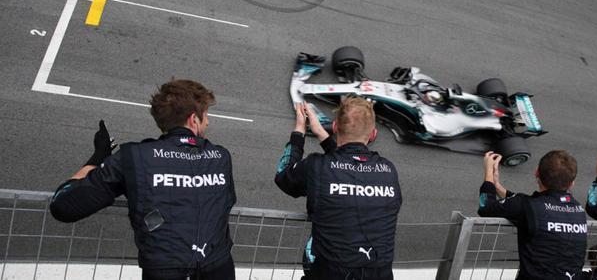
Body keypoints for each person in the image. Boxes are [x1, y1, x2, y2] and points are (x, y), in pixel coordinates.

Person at [50, 79, 236, 280]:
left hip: (164, 272)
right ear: (194, 119)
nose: (207, 122)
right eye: (206, 115)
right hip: (219, 269)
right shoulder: (220, 157)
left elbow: (62, 205)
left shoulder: (133, 157)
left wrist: (98, 157)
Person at [275, 98, 402, 280]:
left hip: (330, 273)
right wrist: (320, 133)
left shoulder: (317, 166)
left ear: (335, 127)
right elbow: (349, 166)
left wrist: (299, 131)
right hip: (378, 273)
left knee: (314, 247)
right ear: (373, 134)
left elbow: (283, 176)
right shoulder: (388, 170)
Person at [478, 150, 587, 280]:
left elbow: (485, 206)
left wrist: (489, 173)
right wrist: (497, 186)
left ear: (537, 173)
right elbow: (530, 203)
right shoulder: (578, 209)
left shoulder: (527, 206)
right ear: (572, 183)